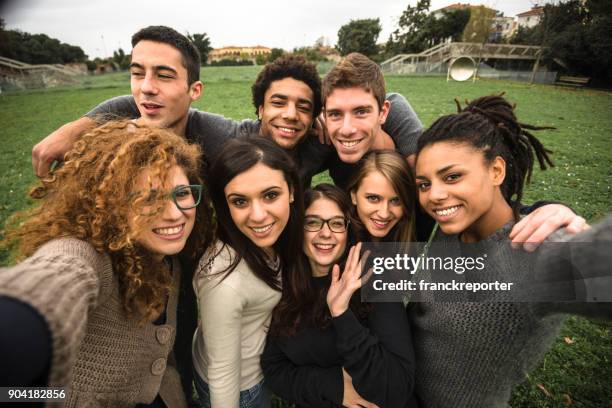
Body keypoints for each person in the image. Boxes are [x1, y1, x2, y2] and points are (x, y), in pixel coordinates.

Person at [411, 94, 612, 407]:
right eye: (424, 184)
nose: (434, 195)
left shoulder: (536, 252)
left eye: (453, 176)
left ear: (496, 171)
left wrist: (569, 230)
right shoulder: (452, 226)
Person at [0, 121, 215, 407]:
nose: (175, 214)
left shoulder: (171, 259)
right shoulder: (89, 257)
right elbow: (56, 278)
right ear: (112, 204)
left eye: (182, 193)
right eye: (148, 198)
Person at [321, 52, 588, 247]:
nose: (346, 128)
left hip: (407, 248)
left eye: (361, 112)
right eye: (334, 114)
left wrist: (547, 209)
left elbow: (477, 193)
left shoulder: (418, 160)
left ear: (383, 113)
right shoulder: (320, 139)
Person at [262, 184, 417, 407]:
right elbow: (274, 369)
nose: (325, 233)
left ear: (348, 231)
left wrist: (341, 314)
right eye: (313, 222)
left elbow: (397, 389)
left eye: (336, 223)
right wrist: (333, 385)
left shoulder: (375, 279)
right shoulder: (285, 281)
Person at [192, 137, 304, 407]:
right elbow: (222, 373)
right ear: (225, 206)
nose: (258, 215)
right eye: (240, 201)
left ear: (291, 191)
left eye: (270, 195)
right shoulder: (224, 284)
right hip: (242, 389)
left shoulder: (266, 241)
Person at [346, 150, 417, 242]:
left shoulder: (417, 228)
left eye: (396, 200)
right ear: (353, 196)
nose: (384, 214)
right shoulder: (337, 239)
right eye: (373, 198)